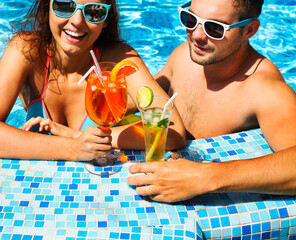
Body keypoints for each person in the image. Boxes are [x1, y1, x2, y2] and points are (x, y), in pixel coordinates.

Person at [0, 0, 186, 161]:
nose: (77, 21)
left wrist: (80, 137)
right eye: (64, 5)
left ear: (106, 19)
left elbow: (173, 133)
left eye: (94, 11)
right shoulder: (26, 52)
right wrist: (72, 147)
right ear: (47, 6)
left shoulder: (119, 60)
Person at [127, 0, 296, 202]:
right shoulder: (184, 55)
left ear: (249, 30)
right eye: (191, 19)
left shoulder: (264, 89)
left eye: (215, 28)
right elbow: (145, 98)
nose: (197, 35)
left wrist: (204, 177)